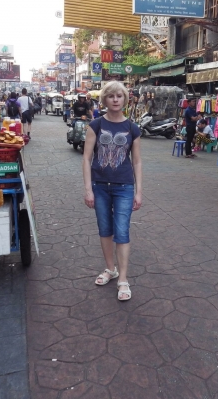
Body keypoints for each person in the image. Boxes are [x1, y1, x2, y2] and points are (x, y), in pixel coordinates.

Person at [82, 81, 143, 301]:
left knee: (122, 231)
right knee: (105, 229)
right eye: (111, 96)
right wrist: (88, 189)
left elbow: (136, 162)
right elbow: (87, 158)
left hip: (124, 187)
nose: (115, 99)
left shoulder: (132, 128)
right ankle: (111, 269)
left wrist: (139, 191)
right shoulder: (95, 125)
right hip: (100, 186)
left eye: (119, 96)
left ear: (125, 99)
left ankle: (123, 279)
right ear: (104, 99)